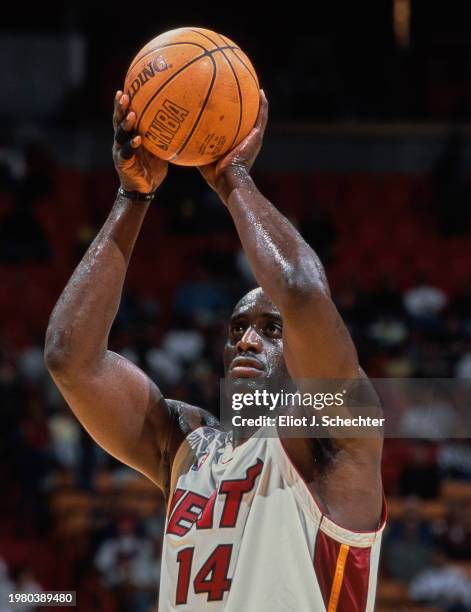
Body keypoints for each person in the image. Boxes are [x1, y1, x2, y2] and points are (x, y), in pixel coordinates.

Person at [45, 89, 385, 611]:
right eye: (237, 329)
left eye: (271, 330)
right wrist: (132, 198)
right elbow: (70, 358)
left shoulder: (337, 441)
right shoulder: (187, 447)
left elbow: (301, 291)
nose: (246, 340)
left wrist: (232, 177)